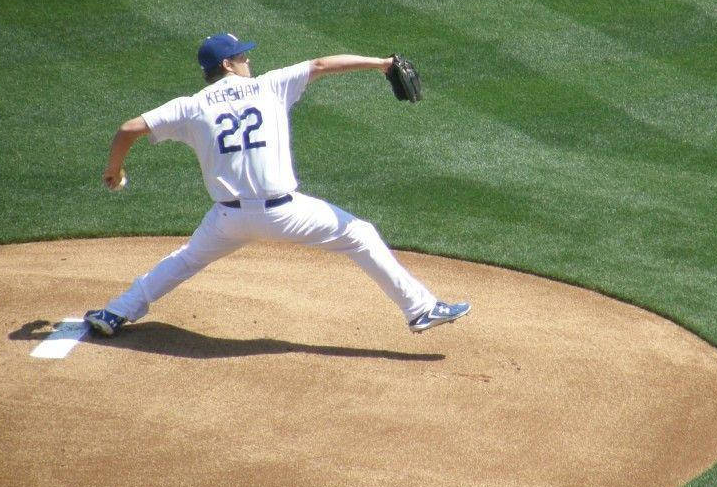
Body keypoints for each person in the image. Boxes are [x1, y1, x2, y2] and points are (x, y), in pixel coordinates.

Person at [84, 32, 469, 336]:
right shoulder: (269, 86)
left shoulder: (191, 105)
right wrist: (383, 64)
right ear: (227, 65)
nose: (249, 61)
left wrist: (114, 171)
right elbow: (320, 64)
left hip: (228, 219)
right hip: (284, 213)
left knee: (184, 260)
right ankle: (421, 309)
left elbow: (128, 128)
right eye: (243, 56)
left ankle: (116, 312)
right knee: (361, 235)